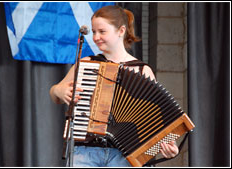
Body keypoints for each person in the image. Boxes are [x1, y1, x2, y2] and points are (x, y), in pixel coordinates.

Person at [50, 5, 179, 167]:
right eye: (94, 31)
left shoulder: (141, 70)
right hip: (85, 152)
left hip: (125, 154)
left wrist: (168, 143)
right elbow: (54, 94)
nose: (96, 37)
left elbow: (156, 115)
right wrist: (58, 90)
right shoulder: (86, 63)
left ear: (121, 31)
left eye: (102, 31)